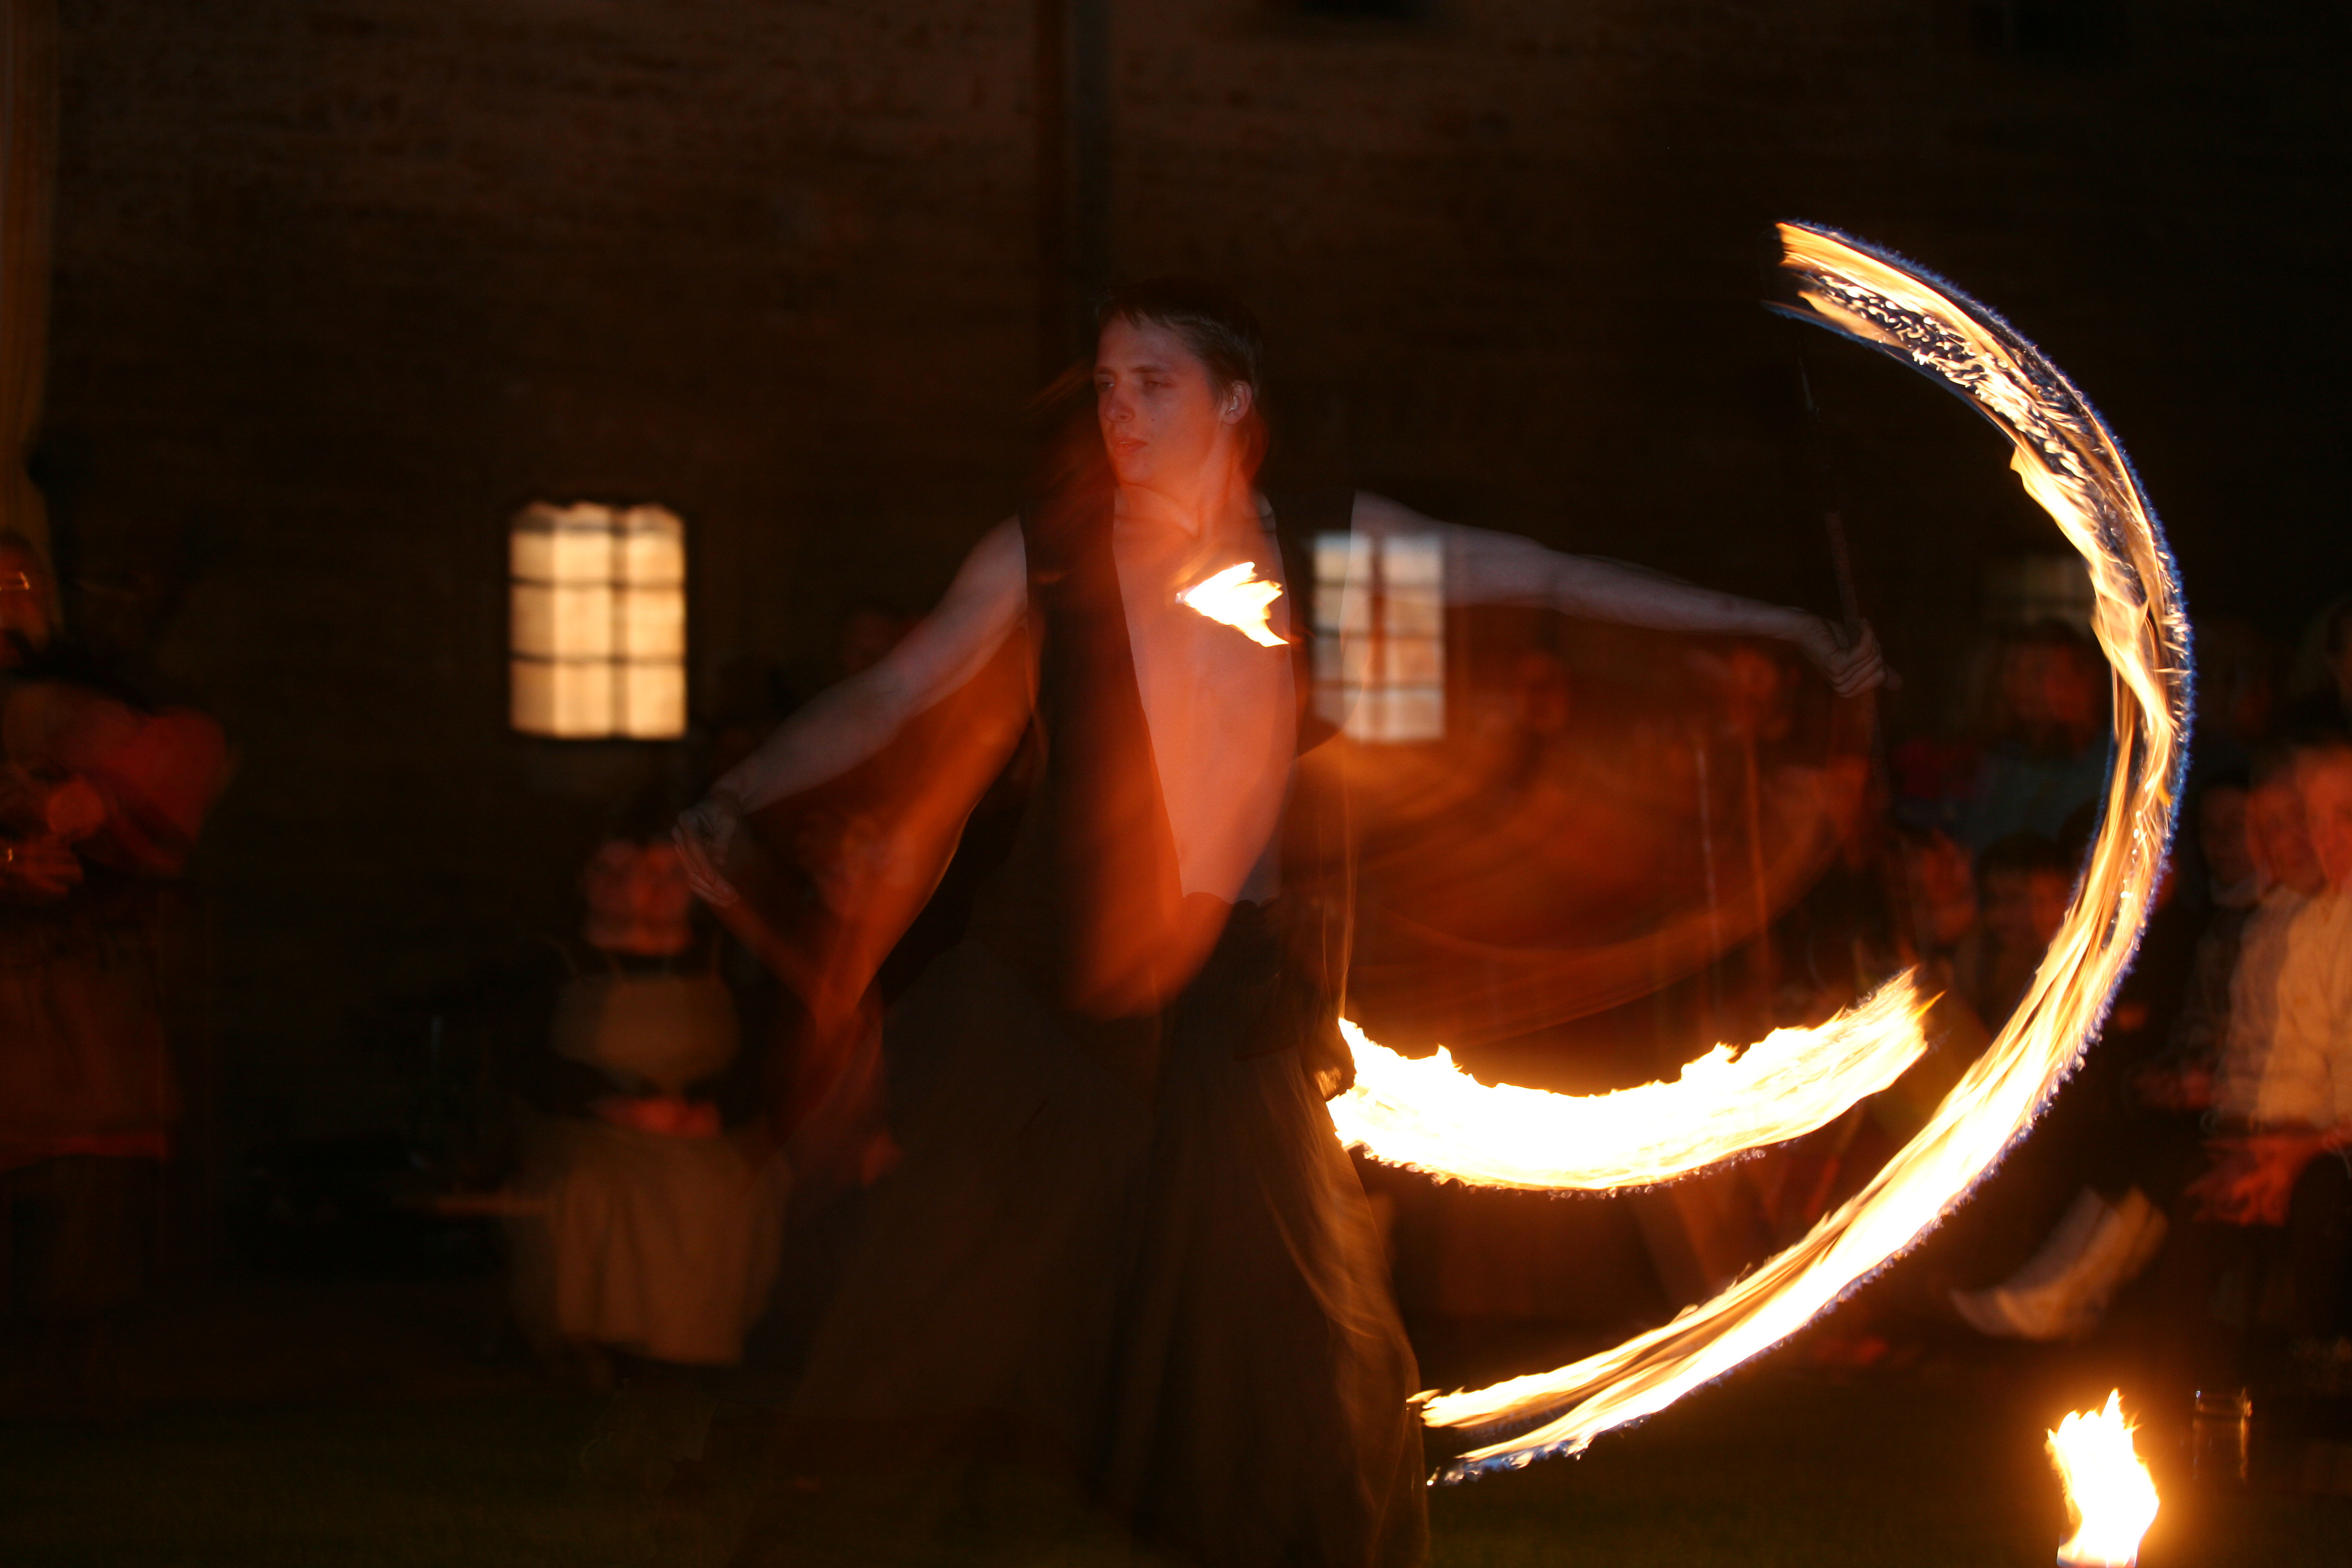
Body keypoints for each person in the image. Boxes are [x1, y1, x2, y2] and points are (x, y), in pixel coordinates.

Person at [676, 279, 1884, 1565]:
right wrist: (752, 785)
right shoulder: (1048, 552)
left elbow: (1544, 577)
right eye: (1107, 387)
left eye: (1154, 385)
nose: (1120, 414)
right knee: (935, 1329)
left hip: (1231, 1011)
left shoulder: (1324, 551)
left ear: (1234, 402)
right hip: (1046, 996)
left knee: (1295, 1363)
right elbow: (901, 688)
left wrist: (1775, 625)